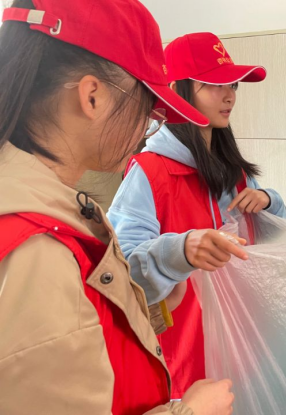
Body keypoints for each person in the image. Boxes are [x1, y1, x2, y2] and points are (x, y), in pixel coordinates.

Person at [0, 1, 233, 414]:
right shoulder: (39, 251)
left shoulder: (58, 211)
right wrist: (193, 411)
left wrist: (140, 310)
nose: (147, 126)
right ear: (92, 97)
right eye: (146, 109)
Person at [108, 32, 286, 398]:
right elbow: (121, 271)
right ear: (178, 90)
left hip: (242, 343)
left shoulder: (235, 172)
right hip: (182, 356)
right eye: (215, 85)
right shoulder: (149, 172)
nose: (230, 96)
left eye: (233, 85)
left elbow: (270, 237)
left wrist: (269, 201)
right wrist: (181, 250)